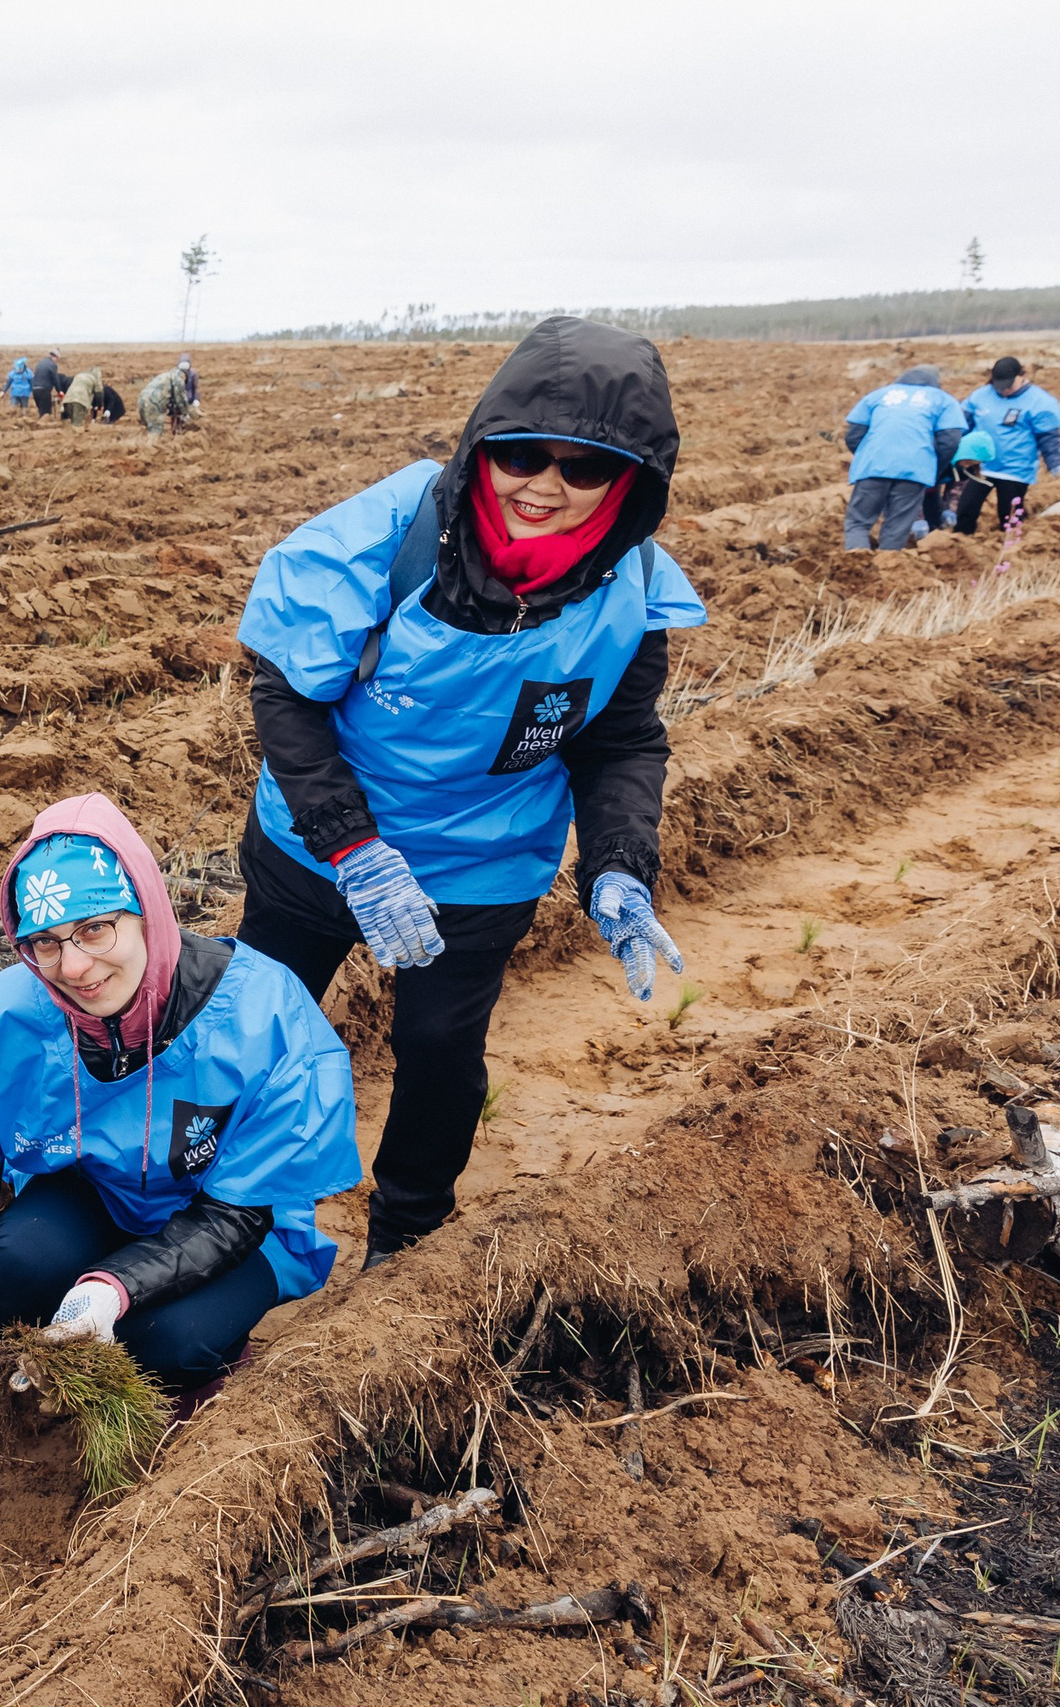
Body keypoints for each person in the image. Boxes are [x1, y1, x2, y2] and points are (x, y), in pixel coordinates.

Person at [234, 315, 705, 1268]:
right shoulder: (387, 537)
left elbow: (619, 741)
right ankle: (229, 1218)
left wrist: (620, 865)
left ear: (631, 481)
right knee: (254, 1030)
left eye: (585, 467)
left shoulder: (633, 588)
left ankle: (406, 1246)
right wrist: (353, 848)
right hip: (318, 845)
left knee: (440, 1050)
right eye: (522, 454)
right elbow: (286, 695)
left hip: (481, 862)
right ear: (483, 443)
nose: (544, 486)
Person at [0, 794, 358, 1501]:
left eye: (95, 929)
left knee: (169, 1341)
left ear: (147, 910)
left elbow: (236, 1215)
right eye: (45, 942)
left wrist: (111, 1287)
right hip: (100, 1195)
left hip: (231, 1222)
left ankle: (198, 1369)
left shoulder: (265, 1017)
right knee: (17, 1263)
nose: (74, 966)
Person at [843, 365, 967, 550]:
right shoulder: (944, 400)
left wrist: (869, 456)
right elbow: (950, 440)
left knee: (858, 522)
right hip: (915, 470)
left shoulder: (878, 395)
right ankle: (887, 564)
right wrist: (933, 466)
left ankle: (856, 561)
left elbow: (853, 435)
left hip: (874, 467)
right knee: (897, 526)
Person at [957, 356, 1060, 536]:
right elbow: (961, 426)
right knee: (966, 510)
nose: (1004, 390)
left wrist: (1056, 465)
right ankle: (959, 543)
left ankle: (1012, 545)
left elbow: (1049, 439)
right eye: (999, 386)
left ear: (1022, 376)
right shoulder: (980, 396)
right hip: (981, 467)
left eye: (1008, 386)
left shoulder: (1040, 402)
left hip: (1015, 470)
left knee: (1009, 515)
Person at [137, 366, 193, 436]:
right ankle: (152, 442)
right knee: (156, 429)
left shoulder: (166, 376)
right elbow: (180, 400)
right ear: (184, 376)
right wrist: (186, 413)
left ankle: (144, 442)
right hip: (154, 403)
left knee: (149, 427)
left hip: (142, 400)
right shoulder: (178, 379)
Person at [31, 350, 63, 419]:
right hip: (44, 390)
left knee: (41, 410)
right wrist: (59, 391)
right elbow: (55, 379)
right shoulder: (52, 365)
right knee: (46, 413)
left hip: (35, 390)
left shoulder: (40, 363)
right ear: (55, 357)